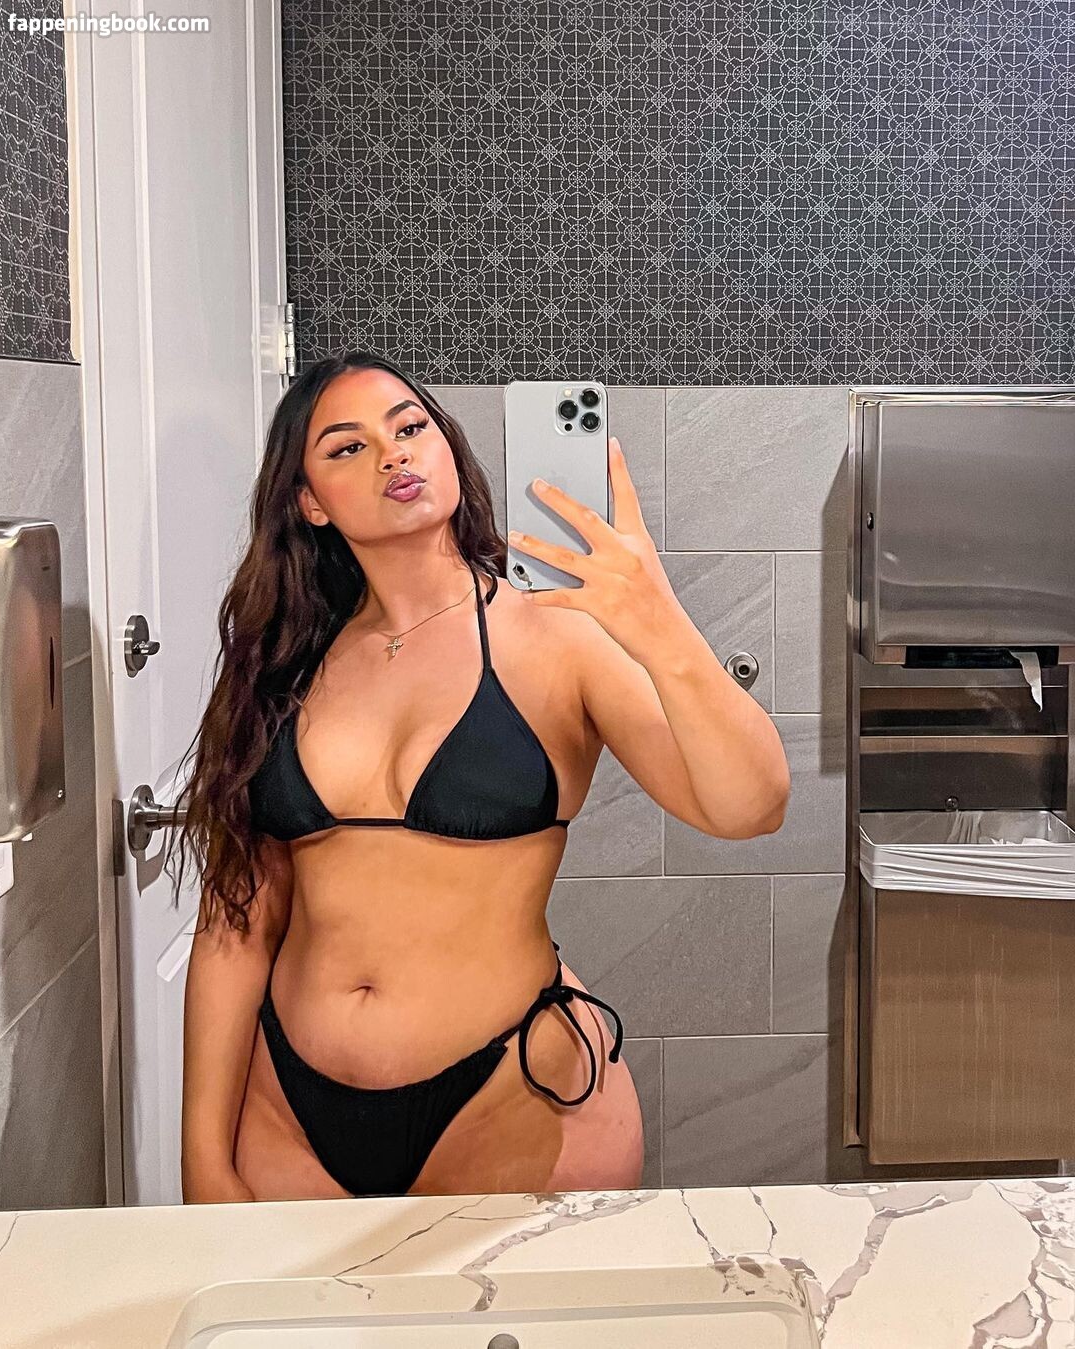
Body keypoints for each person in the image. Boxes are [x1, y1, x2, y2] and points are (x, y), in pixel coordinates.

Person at [172, 352, 790, 1202]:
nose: (392, 454)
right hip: (288, 1109)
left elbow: (751, 805)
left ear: (448, 447)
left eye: (410, 427)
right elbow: (235, 920)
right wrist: (202, 1155)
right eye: (348, 447)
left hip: (509, 1095)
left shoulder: (556, 635)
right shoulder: (283, 660)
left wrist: (659, 623)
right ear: (309, 501)